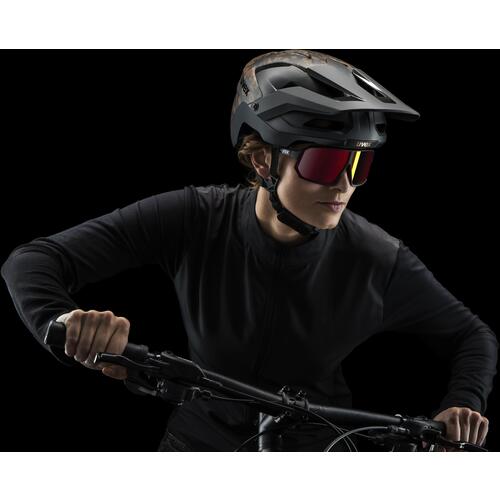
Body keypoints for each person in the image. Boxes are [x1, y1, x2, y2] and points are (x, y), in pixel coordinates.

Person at [2, 49, 497, 452]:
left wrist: (463, 402)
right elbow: (32, 260)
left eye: (358, 166)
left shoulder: (378, 257)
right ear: (263, 160)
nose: (344, 186)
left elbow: (472, 335)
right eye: (325, 164)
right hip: (199, 442)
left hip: (317, 451)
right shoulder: (194, 217)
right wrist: (61, 321)